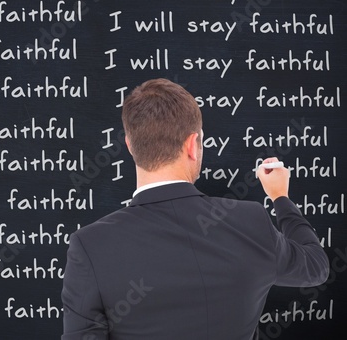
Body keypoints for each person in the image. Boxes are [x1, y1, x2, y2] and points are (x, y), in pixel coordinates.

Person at [61, 78, 329, 339]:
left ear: (130, 146)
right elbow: (316, 267)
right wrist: (281, 199)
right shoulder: (251, 221)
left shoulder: (89, 245)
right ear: (193, 145)